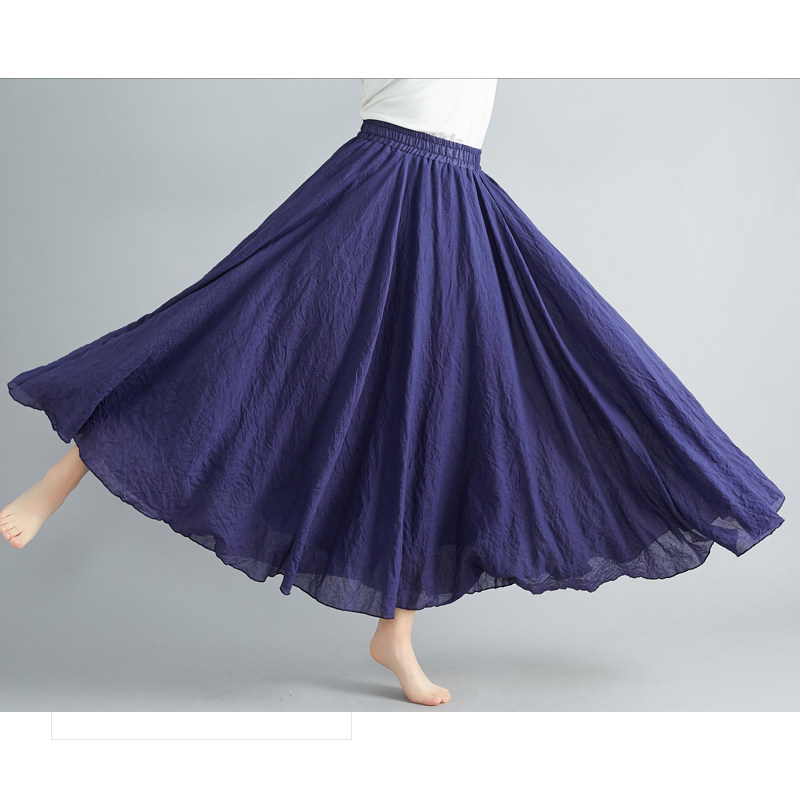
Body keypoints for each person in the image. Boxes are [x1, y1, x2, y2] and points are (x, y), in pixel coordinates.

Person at [1, 79, 787, 707]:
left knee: (431, 408)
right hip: (376, 192)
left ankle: (396, 631)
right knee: (239, 335)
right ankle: (62, 476)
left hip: (458, 206)